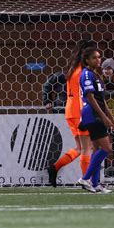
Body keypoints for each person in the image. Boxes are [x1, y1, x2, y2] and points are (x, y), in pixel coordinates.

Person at [47, 40, 96, 187]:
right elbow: (83, 95)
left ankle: (54, 168)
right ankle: (87, 180)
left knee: (80, 148)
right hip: (79, 111)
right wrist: (84, 115)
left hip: (70, 111)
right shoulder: (83, 72)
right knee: (88, 148)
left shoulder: (73, 69)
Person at [77, 48, 114, 194]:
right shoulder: (87, 74)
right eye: (94, 58)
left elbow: (102, 101)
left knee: (97, 150)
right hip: (92, 115)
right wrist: (104, 118)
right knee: (107, 149)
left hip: (96, 114)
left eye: (99, 57)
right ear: (87, 60)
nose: (98, 60)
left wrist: (112, 119)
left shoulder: (96, 75)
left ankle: (95, 184)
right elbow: (91, 98)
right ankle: (85, 178)